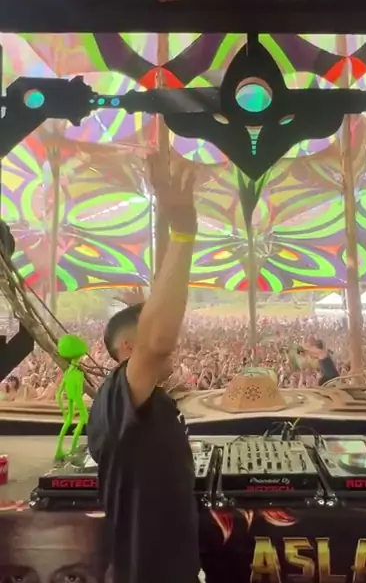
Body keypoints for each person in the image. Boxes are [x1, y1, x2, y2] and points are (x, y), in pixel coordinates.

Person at [87, 160, 200, 583]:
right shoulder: (119, 397)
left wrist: (144, 304)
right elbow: (157, 341)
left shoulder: (135, 399)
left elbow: (151, 337)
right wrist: (183, 234)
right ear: (128, 350)